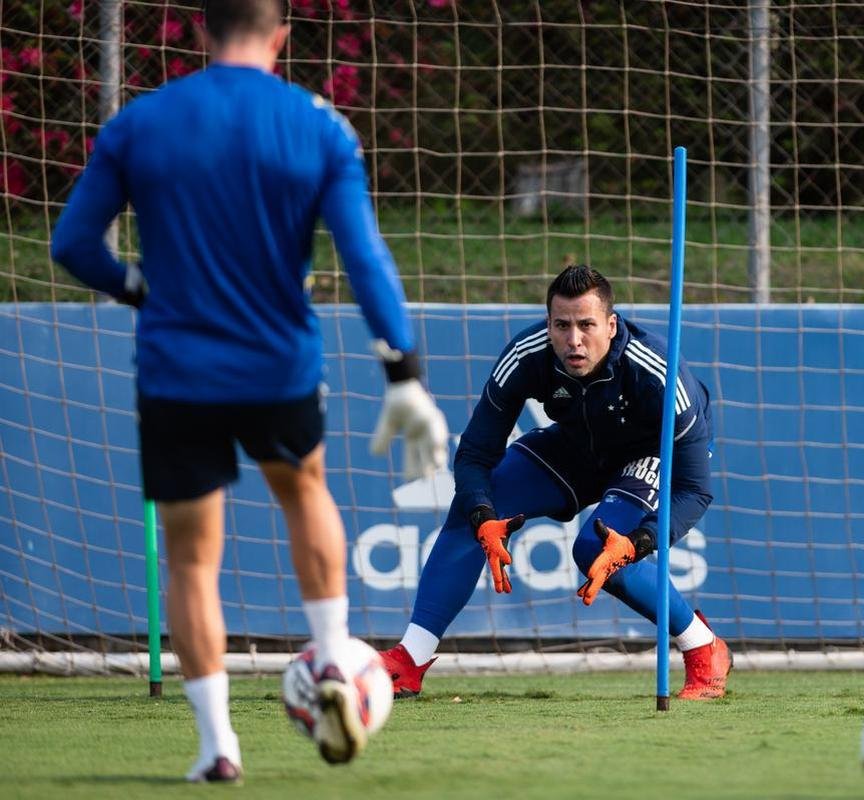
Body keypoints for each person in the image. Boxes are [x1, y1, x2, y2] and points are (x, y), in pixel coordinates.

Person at [50, 0, 449, 782]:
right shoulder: (319, 126)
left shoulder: (142, 121)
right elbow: (366, 259)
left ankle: (217, 749)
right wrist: (402, 374)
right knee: (306, 495)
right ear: (281, 37)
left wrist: (137, 289)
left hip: (177, 372)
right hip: (279, 366)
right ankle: (334, 658)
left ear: (201, 32)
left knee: (192, 561)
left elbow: (71, 243)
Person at [380, 264, 730, 700]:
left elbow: (696, 490)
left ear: (611, 325)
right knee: (474, 506)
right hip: (573, 446)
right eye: (561, 326)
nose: (574, 340)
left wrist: (639, 542)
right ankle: (409, 660)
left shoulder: (659, 373)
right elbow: (474, 454)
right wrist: (483, 515)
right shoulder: (526, 354)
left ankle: (703, 647)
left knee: (595, 548)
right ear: (548, 324)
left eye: (586, 325)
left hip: (648, 455)